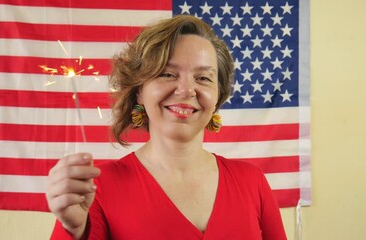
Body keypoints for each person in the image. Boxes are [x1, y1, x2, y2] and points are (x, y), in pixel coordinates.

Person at [46, 15, 287, 240]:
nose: (186, 90)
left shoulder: (252, 181)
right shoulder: (97, 188)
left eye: (203, 78)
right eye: (168, 74)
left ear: (218, 96)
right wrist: (75, 232)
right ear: (139, 90)